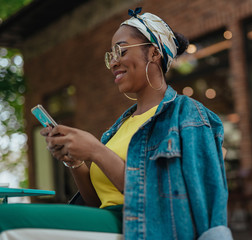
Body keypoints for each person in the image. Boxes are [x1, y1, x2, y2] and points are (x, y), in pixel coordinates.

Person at [0, 7, 232, 240]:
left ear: (153, 53)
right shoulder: (118, 129)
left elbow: (182, 201)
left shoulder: (188, 115)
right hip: (108, 222)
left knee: (5, 218)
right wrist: (77, 162)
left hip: (148, 230)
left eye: (120, 51)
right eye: (111, 55)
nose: (113, 62)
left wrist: (96, 151)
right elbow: (95, 202)